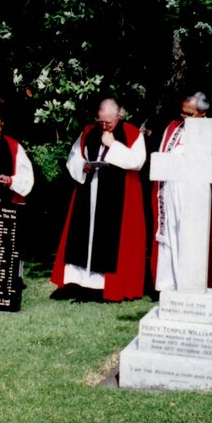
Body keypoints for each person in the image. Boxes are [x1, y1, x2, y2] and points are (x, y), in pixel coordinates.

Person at [51, 97, 147, 302]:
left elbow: (137, 162)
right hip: (89, 190)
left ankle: (104, 286)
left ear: (119, 117)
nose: (104, 125)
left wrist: (113, 145)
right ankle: (80, 282)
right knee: (83, 234)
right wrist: (83, 165)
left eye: (109, 122)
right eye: (101, 121)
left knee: (108, 236)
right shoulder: (88, 131)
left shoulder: (132, 133)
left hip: (117, 196)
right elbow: (74, 156)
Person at [151, 92, 212, 291]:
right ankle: (169, 285)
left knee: (192, 240)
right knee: (172, 235)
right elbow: (162, 160)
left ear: (203, 113)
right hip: (171, 192)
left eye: (189, 114)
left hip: (196, 195)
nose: (184, 118)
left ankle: (193, 285)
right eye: (182, 114)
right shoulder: (172, 129)